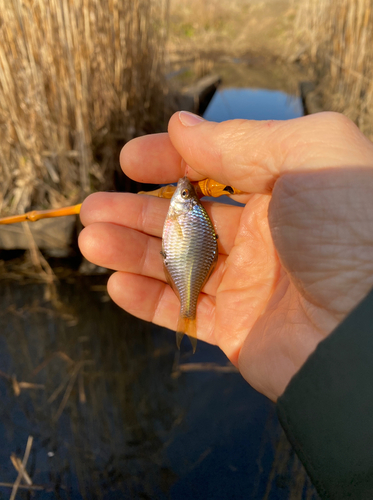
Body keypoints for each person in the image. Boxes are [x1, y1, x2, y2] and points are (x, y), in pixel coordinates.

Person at [78, 111, 373, 499]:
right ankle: (189, 308)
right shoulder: (187, 215)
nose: (182, 194)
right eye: (184, 194)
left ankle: (188, 311)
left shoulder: (185, 212)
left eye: (183, 195)